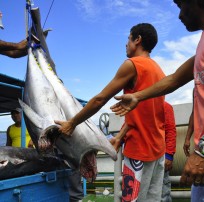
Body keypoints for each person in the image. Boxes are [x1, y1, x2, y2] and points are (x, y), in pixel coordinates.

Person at [110, 0, 204, 201]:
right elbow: (174, 79)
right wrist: (137, 96)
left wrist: (203, 153)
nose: (179, 15)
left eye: (181, 5)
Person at [55, 23, 166, 201]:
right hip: (158, 149)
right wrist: (120, 137)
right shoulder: (158, 71)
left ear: (137, 40)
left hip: (139, 151)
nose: (126, 44)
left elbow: (100, 99)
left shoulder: (132, 65)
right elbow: (143, 115)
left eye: (128, 39)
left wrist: (72, 123)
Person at [162, 101, 176, 202]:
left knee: (162, 192)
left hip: (159, 157)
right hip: (138, 158)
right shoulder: (135, 106)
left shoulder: (165, 106)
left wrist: (169, 155)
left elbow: (170, 130)